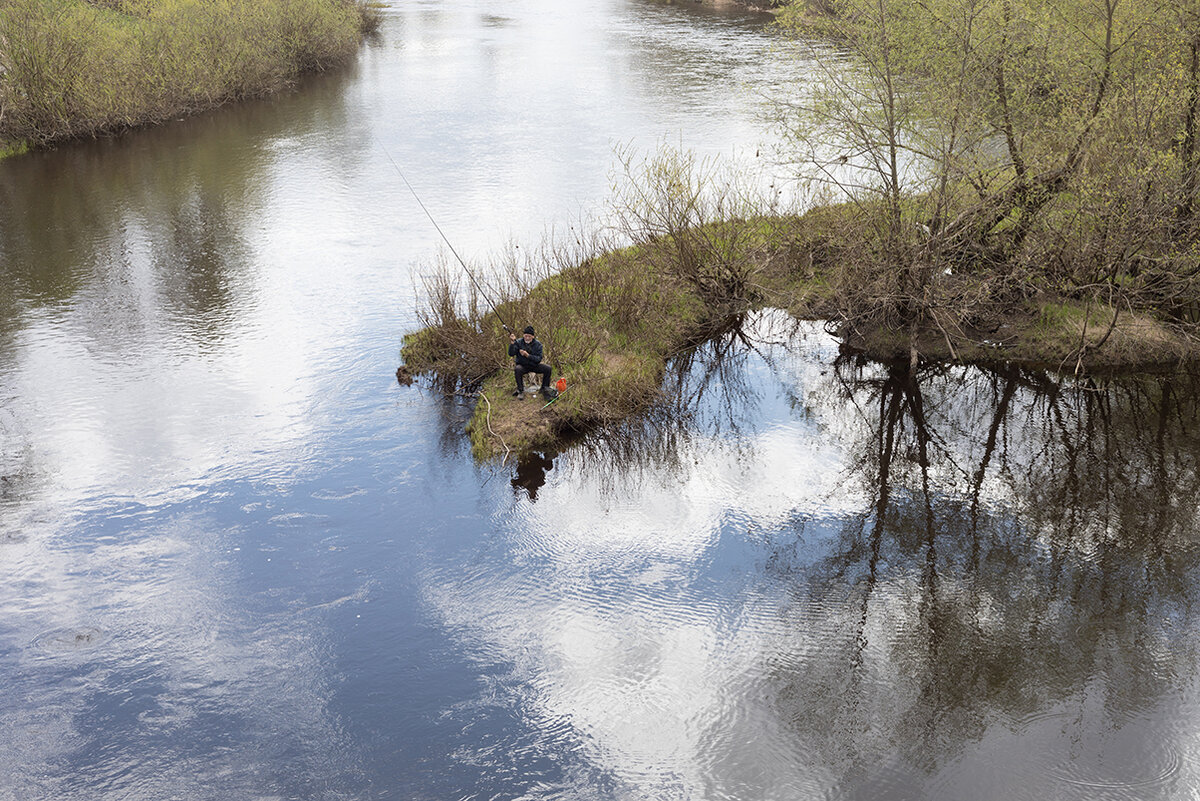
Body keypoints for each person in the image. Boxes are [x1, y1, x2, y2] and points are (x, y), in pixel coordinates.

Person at [509, 325, 552, 398]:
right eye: (526, 336)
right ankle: (520, 390)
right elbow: (511, 353)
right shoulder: (518, 342)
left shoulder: (538, 344)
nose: (527, 338)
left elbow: (538, 359)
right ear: (523, 335)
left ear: (533, 337)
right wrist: (512, 343)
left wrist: (528, 355)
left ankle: (544, 388)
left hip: (534, 365)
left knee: (548, 368)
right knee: (517, 369)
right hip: (523, 366)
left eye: (529, 336)